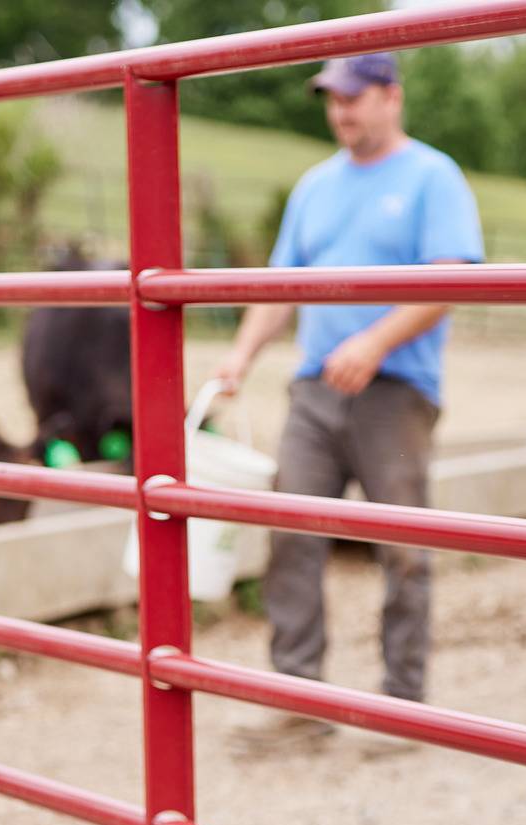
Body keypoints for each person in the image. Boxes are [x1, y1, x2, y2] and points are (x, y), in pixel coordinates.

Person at [212, 51, 483, 753]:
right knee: (291, 534)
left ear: (390, 97)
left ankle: (403, 705)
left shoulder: (432, 176)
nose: (341, 110)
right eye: (333, 99)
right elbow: (280, 287)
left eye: (354, 97)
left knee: (402, 549)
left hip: (394, 391)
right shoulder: (315, 187)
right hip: (314, 387)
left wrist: (374, 343)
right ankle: (299, 697)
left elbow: (449, 278)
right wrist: (240, 356)